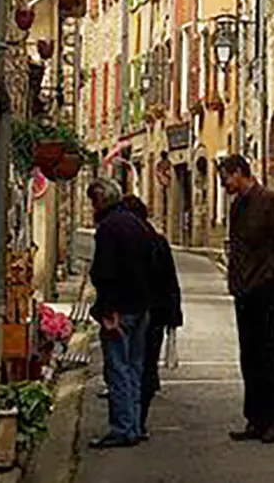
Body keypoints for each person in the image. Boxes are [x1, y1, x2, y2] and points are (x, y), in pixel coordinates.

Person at [220, 154, 274, 445]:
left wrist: (268, 278)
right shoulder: (238, 206)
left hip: (265, 293)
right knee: (249, 357)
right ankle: (254, 419)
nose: (224, 185)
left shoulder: (270, 202)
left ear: (239, 173)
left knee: (267, 356)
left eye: (226, 178)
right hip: (244, 293)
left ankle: (273, 423)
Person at [86, 178, 154, 449]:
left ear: (101, 201)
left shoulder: (108, 229)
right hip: (140, 307)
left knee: (117, 369)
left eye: (93, 201)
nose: (91, 207)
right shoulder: (137, 225)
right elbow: (150, 264)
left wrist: (108, 310)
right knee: (135, 368)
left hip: (119, 309)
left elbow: (105, 272)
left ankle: (122, 428)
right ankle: (135, 425)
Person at [124, 194, 183, 435]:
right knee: (147, 364)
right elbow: (171, 281)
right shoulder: (159, 241)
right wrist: (174, 315)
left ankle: (130, 420)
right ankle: (140, 420)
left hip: (136, 311)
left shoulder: (130, 242)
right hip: (157, 314)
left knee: (128, 365)